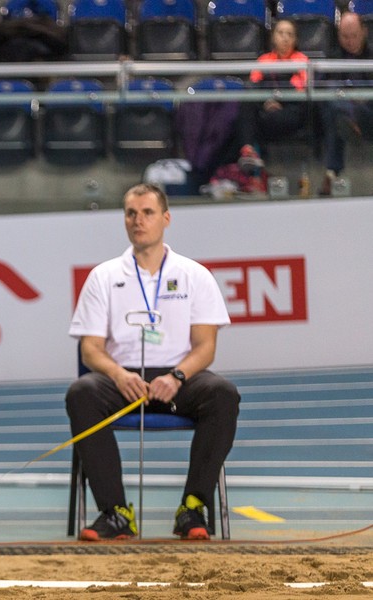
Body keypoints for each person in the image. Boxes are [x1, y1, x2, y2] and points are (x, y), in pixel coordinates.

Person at [65, 184, 240, 541]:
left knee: (223, 394)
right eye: (131, 213)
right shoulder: (103, 277)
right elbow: (91, 350)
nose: (138, 221)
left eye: (147, 213)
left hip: (181, 378)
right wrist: (118, 374)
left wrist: (177, 376)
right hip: (122, 379)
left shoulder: (195, 275)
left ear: (166, 218)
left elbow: (205, 347)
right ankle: (115, 513)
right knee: (81, 392)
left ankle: (193, 508)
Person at [234, 18, 310, 173]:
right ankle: (248, 151)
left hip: (290, 113)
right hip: (266, 109)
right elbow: (253, 89)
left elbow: (300, 93)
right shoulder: (263, 60)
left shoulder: (302, 61)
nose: (285, 38)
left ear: (295, 39)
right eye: (280, 33)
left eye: (290, 34)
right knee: (245, 100)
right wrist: (267, 101)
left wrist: (276, 100)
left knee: (255, 119)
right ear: (273, 37)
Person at [318, 12, 373, 195]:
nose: (350, 41)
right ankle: (351, 120)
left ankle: (332, 173)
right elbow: (322, 88)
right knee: (333, 106)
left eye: (354, 36)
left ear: (364, 32)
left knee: (339, 112)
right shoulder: (332, 57)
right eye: (345, 36)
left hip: (368, 113)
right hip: (341, 111)